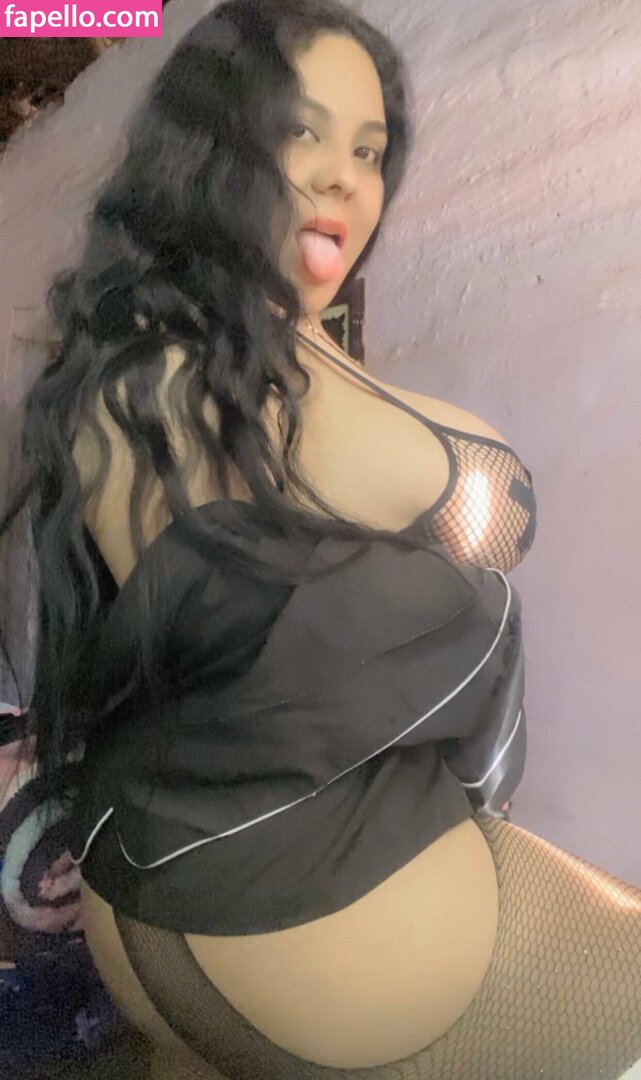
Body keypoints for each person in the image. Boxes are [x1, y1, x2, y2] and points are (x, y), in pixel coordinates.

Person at [1, 2, 640, 1077]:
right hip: (314, 915)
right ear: (209, 152)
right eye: (300, 131)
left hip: (138, 896)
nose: (344, 178)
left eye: (369, 151)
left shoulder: (115, 366)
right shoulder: (233, 370)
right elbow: (494, 505)